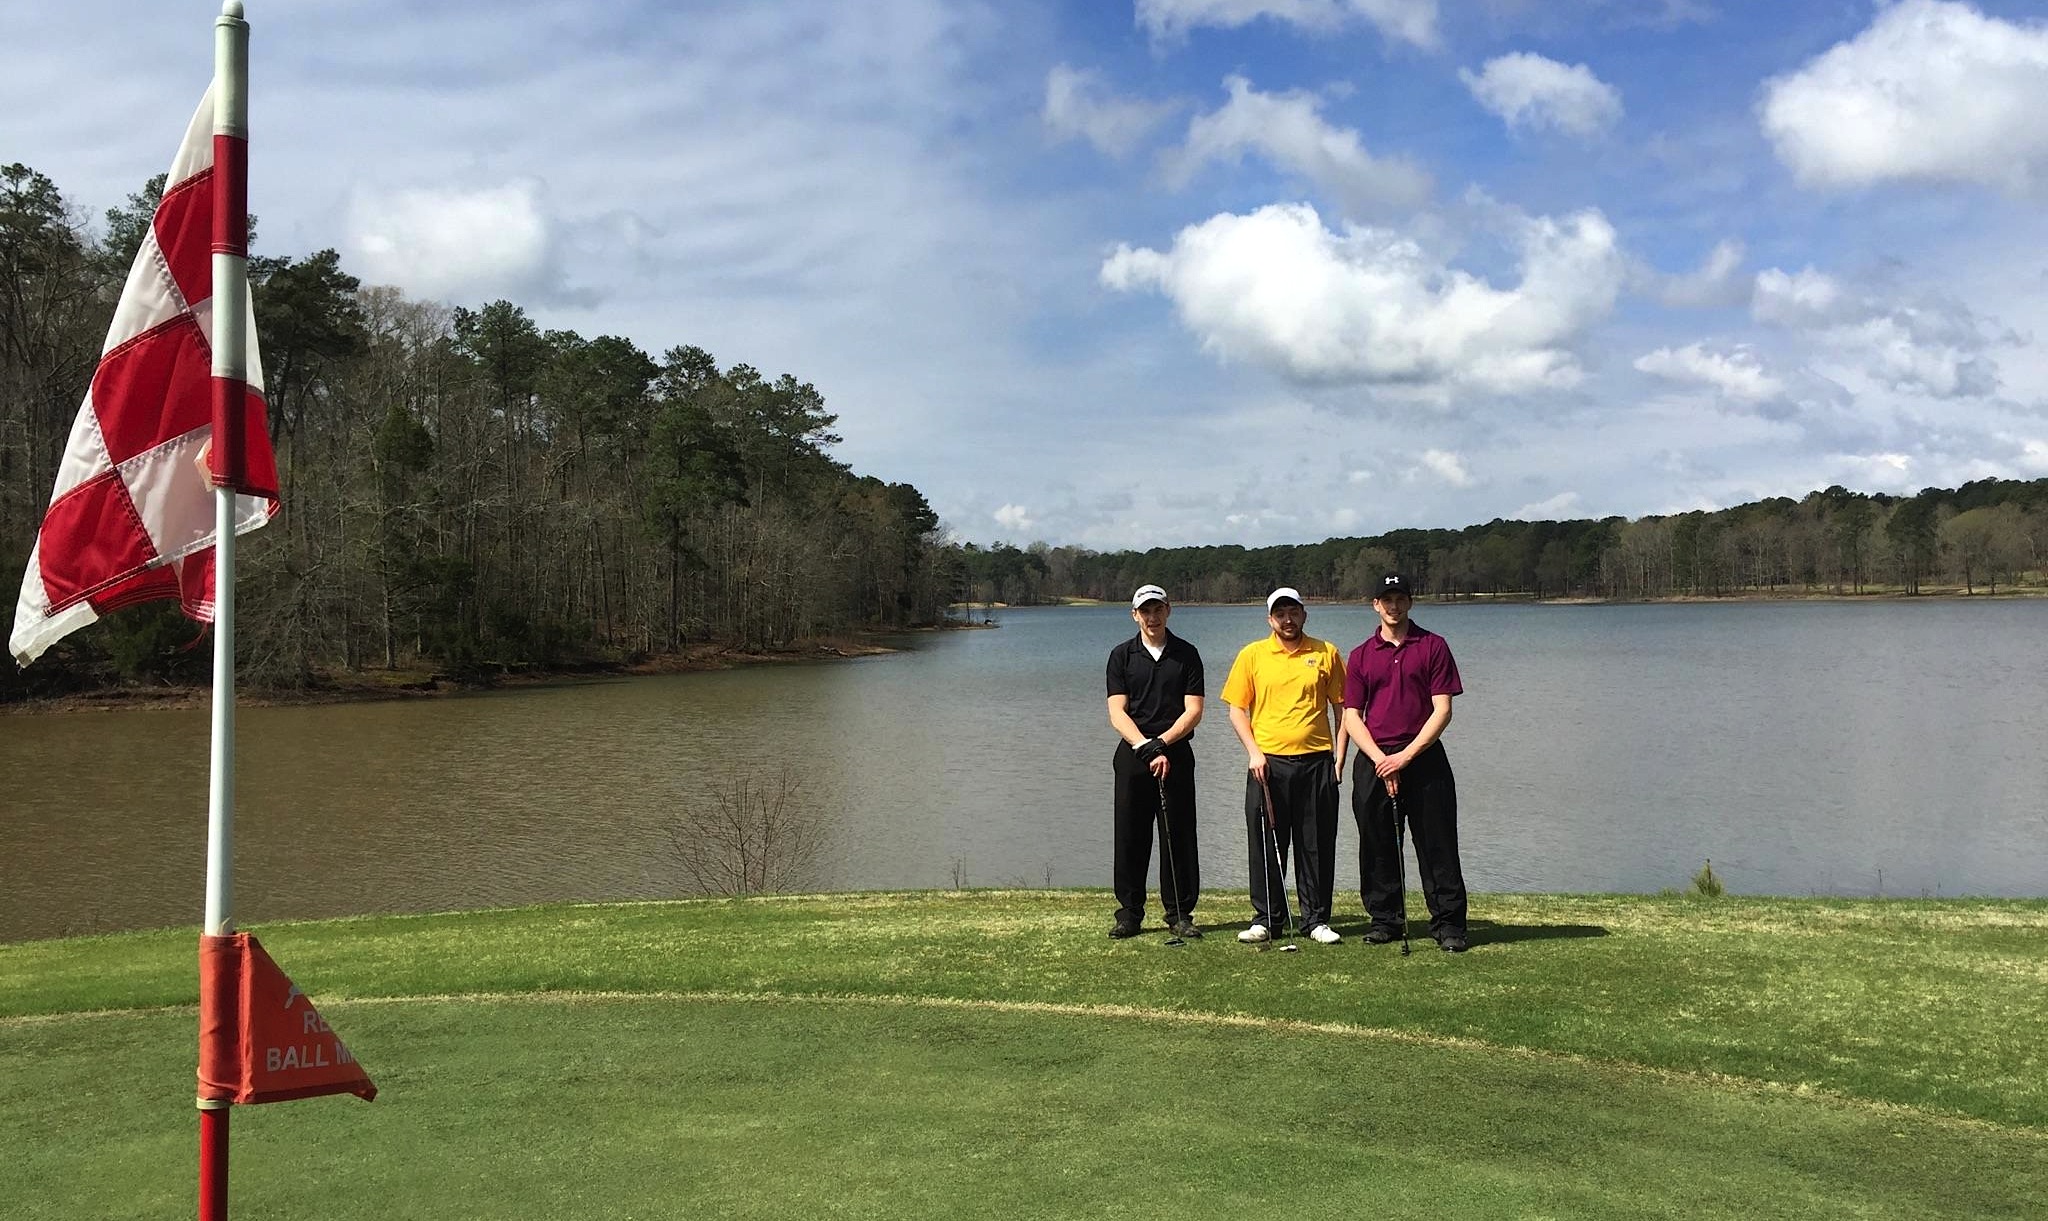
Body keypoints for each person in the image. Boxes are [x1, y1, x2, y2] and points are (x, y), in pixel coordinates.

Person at [1341, 572, 1469, 952]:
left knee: (1437, 844)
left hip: (1423, 757)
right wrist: (1383, 760)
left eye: (1400, 598)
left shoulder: (1433, 646)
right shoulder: (1361, 655)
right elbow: (1351, 716)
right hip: (1374, 759)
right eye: (1386, 599)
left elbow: (1442, 710)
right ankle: (1386, 920)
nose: (1393, 606)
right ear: (1375, 605)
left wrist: (1406, 756)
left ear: (1410, 602)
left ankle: (1448, 925)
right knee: (1377, 843)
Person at [1221, 587, 1346, 945]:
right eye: (1280, 614)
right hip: (1267, 765)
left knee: (1316, 843)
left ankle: (1316, 919)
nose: (1287, 620)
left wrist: (1339, 756)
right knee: (1265, 842)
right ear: (1269, 619)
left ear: (1304, 614)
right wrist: (1253, 752)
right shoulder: (1253, 655)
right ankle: (1267, 919)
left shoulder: (1327, 653)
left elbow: (1343, 707)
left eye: (1293, 612)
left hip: (1317, 762)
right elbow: (1236, 709)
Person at [1105, 584, 1205, 939]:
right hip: (1134, 756)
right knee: (1130, 835)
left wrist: (1162, 743)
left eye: (1157, 609)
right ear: (1135, 615)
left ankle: (1180, 913)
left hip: (1176, 753)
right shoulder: (1121, 656)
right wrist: (1146, 746)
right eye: (1145, 610)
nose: (1152, 616)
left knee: (1178, 834)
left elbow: (1193, 710)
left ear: (1168, 611)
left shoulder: (1187, 654)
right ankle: (1129, 914)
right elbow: (1117, 712)